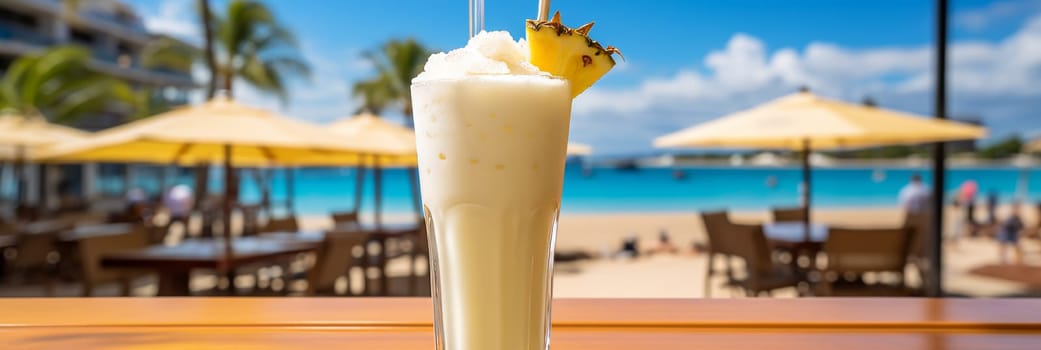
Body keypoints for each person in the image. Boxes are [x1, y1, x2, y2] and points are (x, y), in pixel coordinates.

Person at [997, 201, 1024, 265]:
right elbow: (1004, 226)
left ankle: (1018, 261)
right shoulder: (1010, 218)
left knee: (1018, 247)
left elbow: (1021, 226)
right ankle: (1002, 259)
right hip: (1006, 233)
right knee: (1003, 246)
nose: (1017, 210)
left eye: (1018, 208)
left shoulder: (1018, 218)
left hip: (1013, 234)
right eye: (1016, 208)